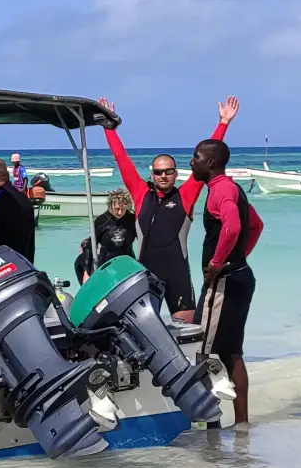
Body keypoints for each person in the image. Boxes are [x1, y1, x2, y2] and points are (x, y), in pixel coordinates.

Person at [97, 96, 240, 322]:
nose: (163, 176)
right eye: (158, 172)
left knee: (188, 335)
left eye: (168, 171)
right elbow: (121, 158)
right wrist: (109, 128)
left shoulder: (185, 195)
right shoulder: (141, 193)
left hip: (178, 276)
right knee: (143, 332)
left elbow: (210, 157)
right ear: (152, 174)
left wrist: (223, 123)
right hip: (145, 275)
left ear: (176, 173)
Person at [190, 138, 264, 426]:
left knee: (202, 350)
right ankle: (242, 424)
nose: (191, 162)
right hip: (241, 276)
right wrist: (240, 256)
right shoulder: (233, 189)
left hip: (223, 283)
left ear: (210, 162)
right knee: (232, 351)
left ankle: (211, 426)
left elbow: (233, 226)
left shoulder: (220, 189)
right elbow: (256, 225)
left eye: (195, 157)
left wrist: (218, 263)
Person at [74, 188, 137, 283]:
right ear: (110, 206)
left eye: (123, 209)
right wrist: (87, 273)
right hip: (106, 267)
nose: (120, 212)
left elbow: (145, 242)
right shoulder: (101, 221)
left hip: (128, 265)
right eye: (117, 209)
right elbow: (90, 247)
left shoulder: (132, 220)